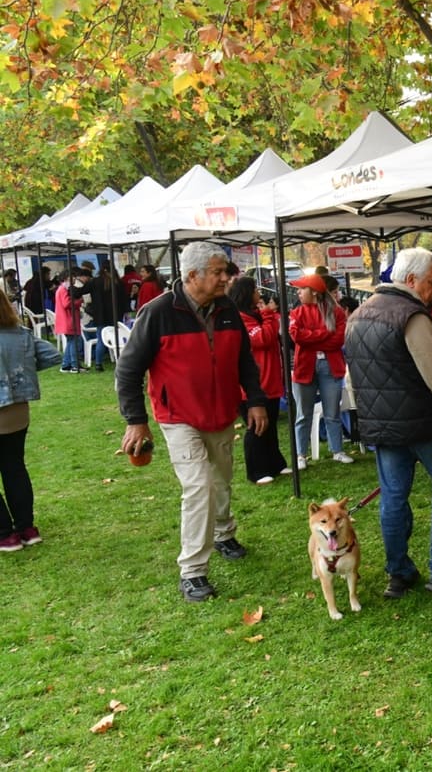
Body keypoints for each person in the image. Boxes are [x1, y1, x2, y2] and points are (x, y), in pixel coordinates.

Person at [115, 241, 269, 602]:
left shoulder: (228, 309)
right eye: (217, 272)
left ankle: (223, 532)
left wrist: (255, 401)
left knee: (221, 479)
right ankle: (193, 571)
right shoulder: (157, 313)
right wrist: (136, 421)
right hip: (178, 416)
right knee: (199, 485)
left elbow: (244, 361)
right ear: (191, 275)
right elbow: (128, 371)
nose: (225, 278)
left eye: (225, 271)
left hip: (220, 412)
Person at [345, 248, 432, 597]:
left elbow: (352, 378)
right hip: (422, 421)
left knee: (393, 496)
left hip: (381, 425)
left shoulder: (358, 315)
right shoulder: (413, 316)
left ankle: (399, 572)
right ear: (411, 281)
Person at [0, 296, 60, 552]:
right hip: (17, 412)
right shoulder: (21, 334)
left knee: (14, 469)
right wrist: (23, 372)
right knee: (15, 468)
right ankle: (26, 528)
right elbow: (52, 354)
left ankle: (5, 533)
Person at [228, 277, 290, 485]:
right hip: (254, 384)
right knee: (257, 428)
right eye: (255, 290)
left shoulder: (257, 316)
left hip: (271, 380)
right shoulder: (241, 318)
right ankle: (256, 470)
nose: (259, 294)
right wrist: (268, 313)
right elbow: (263, 338)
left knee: (270, 425)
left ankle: (275, 464)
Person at [288, 273, 350, 468]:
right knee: (303, 413)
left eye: (301, 289)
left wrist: (311, 338)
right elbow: (296, 336)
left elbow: (338, 339)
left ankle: (337, 450)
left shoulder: (336, 312)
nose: (297, 292)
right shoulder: (296, 313)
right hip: (305, 366)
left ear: (314, 292)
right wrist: (324, 334)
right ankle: (300, 455)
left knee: (332, 411)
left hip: (329, 365)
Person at [86, 265, 129, 371]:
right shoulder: (118, 283)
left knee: (101, 339)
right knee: (118, 340)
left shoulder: (95, 282)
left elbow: (81, 291)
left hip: (101, 316)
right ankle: (121, 361)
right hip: (115, 315)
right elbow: (124, 300)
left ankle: (98, 363)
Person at [54, 270, 89, 372]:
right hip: (69, 320)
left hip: (65, 320)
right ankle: (75, 365)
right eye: (71, 277)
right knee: (74, 342)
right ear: (65, 278)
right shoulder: (64, 289)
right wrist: (80, 301)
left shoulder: (61, 288)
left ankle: (66, 364)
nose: (74, 279)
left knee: (70, 342)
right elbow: (67, 304)